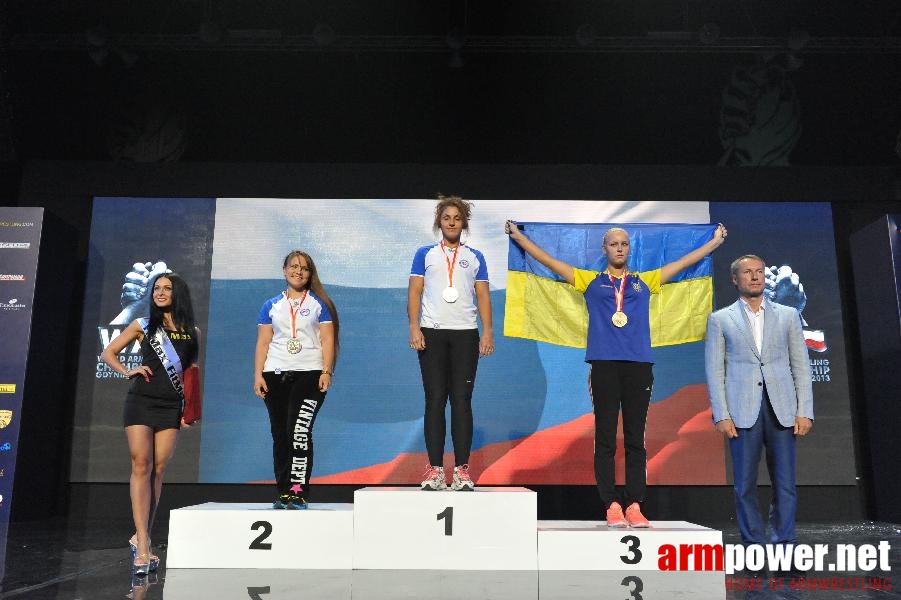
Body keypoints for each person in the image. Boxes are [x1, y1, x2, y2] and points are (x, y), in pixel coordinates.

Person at [506, 220, 726, 526]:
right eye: (614, 244)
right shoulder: (589, 281)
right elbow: (551, 263)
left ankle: (634, 503)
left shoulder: (644, 281)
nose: (619, 248)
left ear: (629, 249)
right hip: (604, 367)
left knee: (636, 438)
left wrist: (713, 244)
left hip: (639, 367)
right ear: (604, 249)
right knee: (606, 437)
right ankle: (610, 503)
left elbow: (682, 263)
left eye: (624, 244)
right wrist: (519, 238)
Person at [704, 254, 813, 548]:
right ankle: (753, 543)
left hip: (783, 410)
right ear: (735, 279)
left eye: (759, 272)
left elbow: (801, 366)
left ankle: (784, 542)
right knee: (744, 486)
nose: (755, 277)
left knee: (786, 484)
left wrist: (805, 411)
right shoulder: (720, 319)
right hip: (742, 411)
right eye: (748, 272)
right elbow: (715, 371)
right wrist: (721, 414)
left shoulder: (788, 316)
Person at [100, 273, 199, 575]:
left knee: (157, 469)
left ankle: (140, 535)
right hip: (141, 401)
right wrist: (127, 371)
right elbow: (108, 352)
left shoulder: (191, 331)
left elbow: (192, 374)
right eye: (156, 288)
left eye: (166, 288)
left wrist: (190, 411)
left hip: (171, 406)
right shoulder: (142, 325)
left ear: (177, 293)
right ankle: (143, 543)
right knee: (140, 464)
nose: (160, 292)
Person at [409, 195, 494, 491]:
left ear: (464, 222)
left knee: (461, 401)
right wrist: (413, 328)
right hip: (431, 333)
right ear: (439, 222)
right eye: (447, 218)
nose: (452, 222)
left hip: (465, 334)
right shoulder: (425, 254)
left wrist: (488, 332)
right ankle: (434, 470)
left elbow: (483, 295)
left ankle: (461, 470)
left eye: (457, 218)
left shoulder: (476, 257)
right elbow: (415, 292)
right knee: (434, 401)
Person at [254, 250, 339, 510]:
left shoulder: (318, 304)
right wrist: (258, 374)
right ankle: (283, 493)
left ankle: (298, 491)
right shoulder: (271, 305)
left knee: (298, 432)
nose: (298, 271)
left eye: (304, 268)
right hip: (275, 375)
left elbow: (327, 340)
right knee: (280, 435)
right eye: (293, 266)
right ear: (284, 270)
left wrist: (327, 371)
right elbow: (264, 341)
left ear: (310, 273)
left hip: (310, 375)